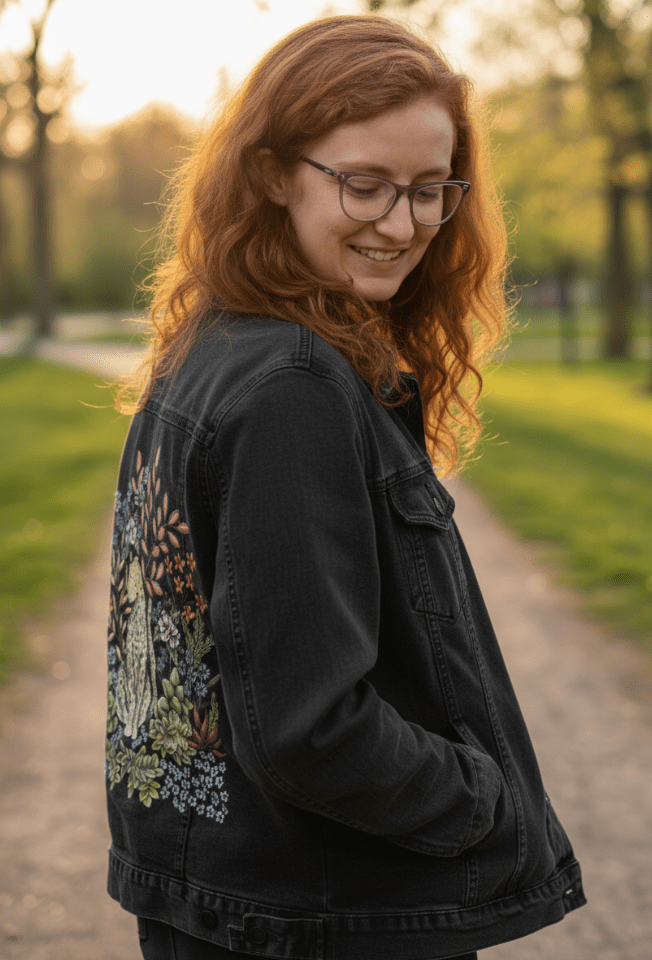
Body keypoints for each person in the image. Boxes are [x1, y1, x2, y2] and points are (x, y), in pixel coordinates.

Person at [105, 15, 586, 960]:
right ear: (276, 170)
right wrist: (485, 798)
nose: (402, 225)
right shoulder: (291, 387)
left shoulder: (219, 346)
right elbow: (311, 729)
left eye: (430, 191)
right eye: (364, 184)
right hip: (327, 921)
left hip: (237, 904)